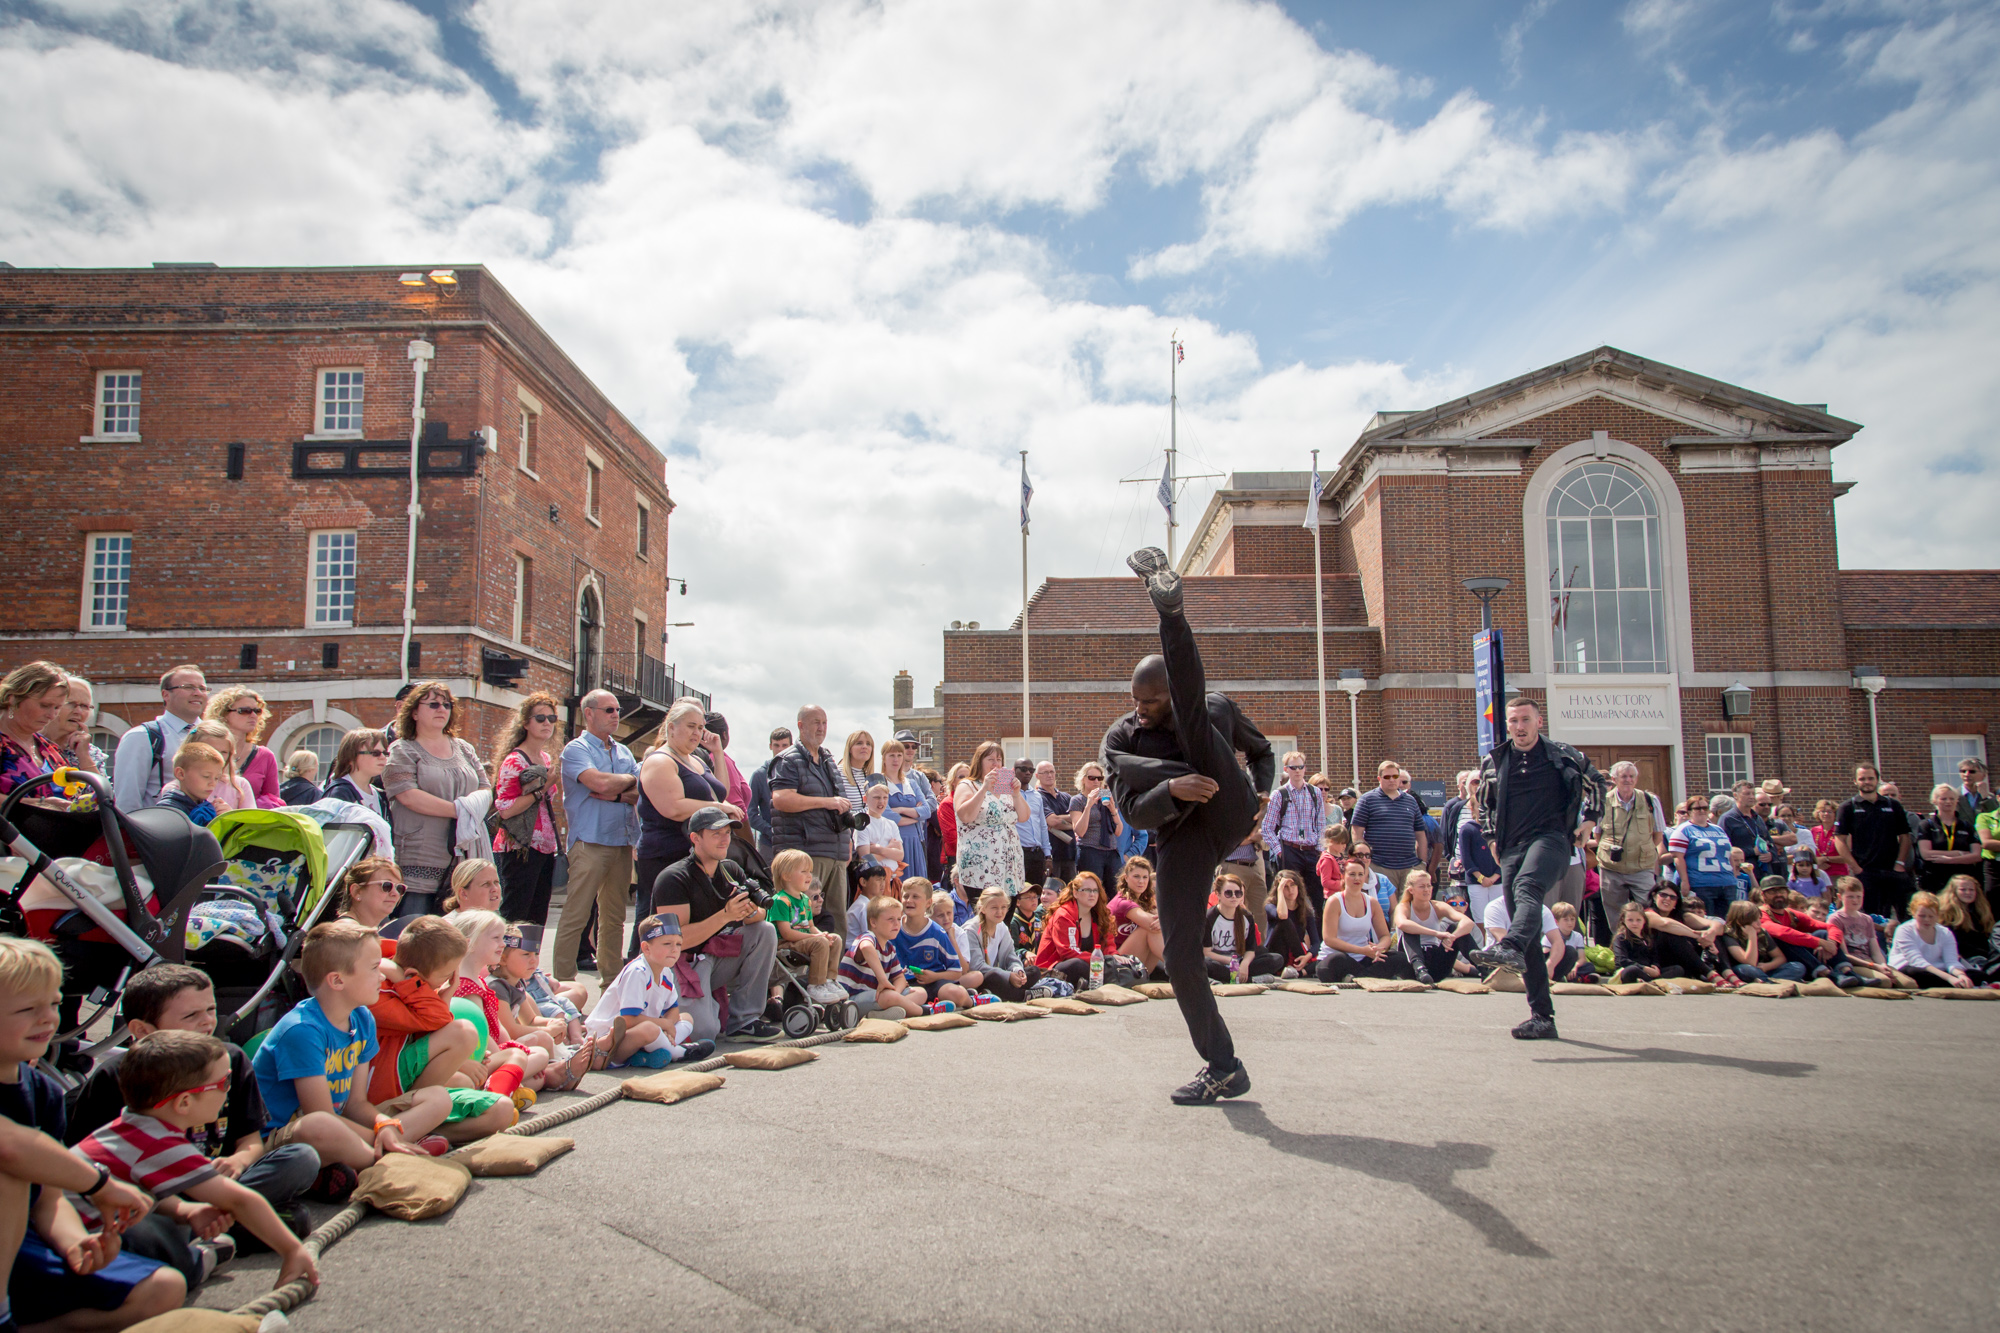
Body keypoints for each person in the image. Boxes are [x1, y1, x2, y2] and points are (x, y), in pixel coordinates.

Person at [1102, 548, 1275, 1104]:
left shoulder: (1207, 708)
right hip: (1183, 831)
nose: (1140, 709)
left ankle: (1170, 610)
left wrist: (1265, 792)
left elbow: (1262, 750)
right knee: (1178, 956)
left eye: (1150, 701)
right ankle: (1224, 1066)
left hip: (1227, 804)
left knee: (1202, 728)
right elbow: (1130, 810)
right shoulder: (1123, 736)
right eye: (1135, 700)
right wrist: (1170, 789)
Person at [0, 937, 182, 1332]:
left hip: (23, 1242)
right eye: (27, 1009)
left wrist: (72, 1243)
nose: (48, 1019)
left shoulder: (43, 1091)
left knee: (165, 1287)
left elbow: (48, 1200)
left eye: (53, 1003)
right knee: (8, 1178)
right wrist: (100, 1185)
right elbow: (12, 1148)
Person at [64, 966, 324, 1242]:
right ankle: (231, 1225)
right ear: (142, 1030)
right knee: (146, 1225)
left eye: (211, 1010)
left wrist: (238, 1160)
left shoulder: (230, 1060)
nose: (207, 1023)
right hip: (155, 1196)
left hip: (217, 1183)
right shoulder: (116, 1076)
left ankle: (218, 1226)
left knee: (301, 1158)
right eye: (191, 1016)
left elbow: (251, 1141)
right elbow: (89, 1167)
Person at [75, 1030, 319, 1292]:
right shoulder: (158, 1142)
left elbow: (140, 1191)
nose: (229, 1090)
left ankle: (198, 1246)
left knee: (164, 1228)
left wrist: (186, 1210)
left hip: (81, 1229)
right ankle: (199, 1260)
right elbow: (239, 1199)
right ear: (184, 1102)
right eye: (224, 1083)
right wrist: (292, 1250)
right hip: (83, 1241)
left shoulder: (130, 1124)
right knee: (168, 1261)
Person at [250, 921, 453, 1175]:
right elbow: (320, 1114)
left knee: (438, 1098)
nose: (382, 976)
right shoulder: (302, 1030)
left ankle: (370, 1156)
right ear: (337, 980)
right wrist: (380, 1132)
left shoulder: (362, 1017)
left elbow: (355, 1103)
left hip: (341, 1124)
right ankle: (389, 1159)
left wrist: (383, 1124)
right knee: (320, 1126)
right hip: (287, 1136)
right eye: (373, 968)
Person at [1468, 696, 1605, 1040]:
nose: (1519, 727)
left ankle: (1509, 946)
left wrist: (1589, 822)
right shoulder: (1495, 760)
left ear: (1539, 722)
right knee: (1524, 925)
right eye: (1513, 721)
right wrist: (1491, 839)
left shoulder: (1561, 754)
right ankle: (1542, 1016)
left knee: (1528, 889)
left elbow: (1597, 783)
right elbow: (1483, 805)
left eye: (1525, 720)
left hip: (1553, 840)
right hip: (1511, 845)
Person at [363, 918, 520, 1137]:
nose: (449, 982)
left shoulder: (415, 987)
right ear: (412, 976)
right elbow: (436, 1020)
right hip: (384, 1097)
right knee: (463, 1033)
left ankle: (420, 1130)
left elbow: (432, 1026)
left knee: (501, 1110)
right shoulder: (380, 992)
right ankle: (403, 1132)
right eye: (447, 976)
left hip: (411, 1090)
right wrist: (405, 981)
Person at [646, 806, 782, 1041]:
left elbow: (758, 916)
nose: (724, 839)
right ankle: (667, 1011)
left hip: (712, 959)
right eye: (715, 833)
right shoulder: (674, 877)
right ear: (695, 838)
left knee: (765, 931)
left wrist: (750, 911)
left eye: (727, 833)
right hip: (677, 966)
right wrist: (726, 916)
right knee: (703, 1032)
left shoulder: (730, 869)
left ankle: (745, 1020)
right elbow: (674, 942)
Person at [635, 700, 737, 958]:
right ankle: (641, 983)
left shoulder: (697, 760)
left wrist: (717, 753)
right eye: (691, 726)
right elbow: (673, 807)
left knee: (690, 931)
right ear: (671, 728)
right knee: (659, 930)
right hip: (665, 854)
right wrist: (720, 807)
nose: (697, 733)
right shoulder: (660, 761)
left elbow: (721, 792)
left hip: (694, 856)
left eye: (701, 727)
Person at [552, 690, 641, 982]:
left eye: (617, 710)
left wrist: (615, 792)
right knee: (577, 915)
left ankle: (611, 985)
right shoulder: (576, 749)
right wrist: (626, 782)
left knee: (614, 918)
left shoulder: (624, 751)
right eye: (608, 710)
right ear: (588, 713)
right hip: (589, 842)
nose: (616, 714)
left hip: (620, 842)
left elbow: (635, 792)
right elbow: (598, 782)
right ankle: (564, 986)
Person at [383, 682, 488, 917]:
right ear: (414, 712)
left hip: (463, 853)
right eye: (433, 704)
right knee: (414, 930)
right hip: (419, 854)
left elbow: (485, 787)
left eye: (446, 704)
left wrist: (467, 810)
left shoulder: (463, 748)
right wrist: (459, 810)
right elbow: (407, 795)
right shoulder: (402, 749)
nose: (441, 709)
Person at [769, 705, 858, 942]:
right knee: (802, 920)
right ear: (800, 725)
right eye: (816, 722)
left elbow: (840, 804)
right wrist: (827, 802)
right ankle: (805, 977)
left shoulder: (828, 759)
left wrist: (847, 841)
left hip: (835, 851)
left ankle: (832, 975)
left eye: (825, 722)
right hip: (805, 852)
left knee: (837, 918)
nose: (821, 728)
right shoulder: (787, 759)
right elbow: (781, 799)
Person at [584, 914, 716, 1067]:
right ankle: (680, 1052)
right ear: (646, 948)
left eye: (678, 944)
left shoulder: (665, 971)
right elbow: (628, 1020)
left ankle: (647, 1055)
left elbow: (673, 1010)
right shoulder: (638, 972)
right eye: (667, 944)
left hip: (643, 1033)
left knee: (686, 1017)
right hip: (610, 1040)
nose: (674, 950)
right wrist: (664, 1024)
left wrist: (667, 1024)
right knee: (650, 1030)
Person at [489, 692, 566, 930]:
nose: (547, 723)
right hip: (519, 846)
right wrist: (541, 789)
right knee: (516, 913)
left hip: (544, 846)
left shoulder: (544, 757)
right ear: (525, 723)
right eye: (540, 718)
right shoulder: (515, 761)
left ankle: (528, 965)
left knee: (537, 914)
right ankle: (506, 964)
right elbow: (505, 809)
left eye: (551, 718)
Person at [111, 664, 209, 812]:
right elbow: (127, 802)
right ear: (165, 694)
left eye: (202, 688)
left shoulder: (216, 735)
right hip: (160, 830)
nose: (197, 693)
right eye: (188, 687)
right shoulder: (142, 737)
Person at [953, 742, 1031, 902]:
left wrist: (1016, 794)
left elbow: (1023, 817)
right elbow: (965, 816)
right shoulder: (968, 785)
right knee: (984, 917)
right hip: (981, 866)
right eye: (991, 759)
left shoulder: (1004, 786)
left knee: (1005, 916)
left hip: (1009, 866)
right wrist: (984, 789)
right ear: (979, 761)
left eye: (999, 759)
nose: (996, 764)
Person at [767, 849, 848, 1003]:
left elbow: (810, 926)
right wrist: (815, 937)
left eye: (810, 871)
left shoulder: (804, 899)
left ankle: (830, 980)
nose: (809, 876)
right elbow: (786, 933)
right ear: (786, 876)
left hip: (803, 941)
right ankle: (816, 984)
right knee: (820, 942)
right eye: (804, 871)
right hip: (785, 944)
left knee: (835, 938)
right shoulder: (780, 900)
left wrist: (822, 934)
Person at [1836, 763, 1914, 919]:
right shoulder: (1847, 807)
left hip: (1893, 870)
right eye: (1862, 779)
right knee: (1872, 918)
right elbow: (1839, 839)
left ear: (1877, 780)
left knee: (1905, 915)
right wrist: (1855, 867)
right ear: (1855, 781)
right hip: (1866, 872)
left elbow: (1905, 837)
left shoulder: (1893, 805)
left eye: (1870, 778)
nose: (1867, 782)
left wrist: (1900, 863)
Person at [1594, 761, 1667, 927]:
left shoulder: (1650, 800)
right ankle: (1621, 947)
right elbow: (1598, 835)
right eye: (1624, 776)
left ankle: (1647, 946)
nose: (1628, 780)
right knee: (1614, 913)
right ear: (1614, 779)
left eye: (1632, 776)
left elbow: (1657, 835)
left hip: (1641, 868)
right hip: (1611, 868)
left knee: (1649, 910)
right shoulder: (1603, 801)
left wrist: (1641, 849)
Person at [838, 897, 931, 1018]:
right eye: (890, 919)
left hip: (879, 997)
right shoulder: (867, 937)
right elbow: (866, 948)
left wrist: (895, 994)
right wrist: (883, 980)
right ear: (873, 922)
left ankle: (880, 1014)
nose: (896, 923)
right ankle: (925, 1012)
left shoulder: (890, 948)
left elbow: (899, 978)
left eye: (898, 919)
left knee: (921, 992)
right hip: (853, 999)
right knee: (889, 996)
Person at [890, 878, 976, 1008]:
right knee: (911, 996)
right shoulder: (893, 929)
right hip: (906, 985)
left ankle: (973, 1000)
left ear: (928, 903)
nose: (909, 900)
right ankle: (927, 1009)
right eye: (906, 896)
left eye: (915, 896)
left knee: (955, 993)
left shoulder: (937, 932)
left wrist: (934, 976)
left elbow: (956, 972)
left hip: (935, 982)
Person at [1262, 750, 1329, 917]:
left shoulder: (1315, 793)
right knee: (1289, 896)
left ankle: (1316, 938)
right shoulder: (1279, 794)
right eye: (1293, 767)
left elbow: (1321, 824)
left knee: (1316, 897)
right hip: (1289, 849)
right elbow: (1267, 827)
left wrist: (1321, 849)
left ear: (1305, 769)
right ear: (1286, 769)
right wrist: (1279, 851)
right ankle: (1292, 936)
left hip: (1312, 849)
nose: (1297, 771)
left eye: (1300, 767)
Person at [1348, 759, 1428, 897]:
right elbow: (1357, 831)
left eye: (1395, 776)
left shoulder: (1410, 800)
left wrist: (1423, 863)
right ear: (1379, 778)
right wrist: (1362, 860)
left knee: (1409, 908)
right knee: (1384, 909)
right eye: (1387, 777)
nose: (1392, 780)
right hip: (1379, 866)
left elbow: (1420, 833)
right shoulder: (1367, 799)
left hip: (1409, 866)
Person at [1315, 859, 1403, 982]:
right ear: (1343, 876)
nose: (1357, 878)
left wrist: (1379, 948)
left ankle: (1356, 977)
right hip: (1339, 957)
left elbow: (1385, 936)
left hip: (1364, 958)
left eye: (1360, 874)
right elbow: (1329, 939)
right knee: (1331, 964)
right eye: (1352, 874)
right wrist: (1362, 950)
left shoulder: (1372, 902)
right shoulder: (1334, 901)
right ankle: (1366, 977)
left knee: (1400, 958)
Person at [1032, 874, 1122, 988]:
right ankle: (1110, 980)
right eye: (1087, 890)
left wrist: (1114, 957)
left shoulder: (1100, 914)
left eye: (1095, 890)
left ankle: (1106, 980)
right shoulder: (1064, 915)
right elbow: (1068, 952)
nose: (1092, 894)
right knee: (1078, 965)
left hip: (1089, 963)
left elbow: (1108, 943)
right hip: (1051, 968)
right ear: (1075, 893)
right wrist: (1099, 961)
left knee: (1120, 962)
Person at [0, 661, 70, 803]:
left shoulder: (50, 748)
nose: (51, 715)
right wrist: (38, 805)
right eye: (44, 705)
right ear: (12, 699)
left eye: (57, 708)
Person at [203, 687, 283, 809]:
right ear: (223, 714)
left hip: (249, 823)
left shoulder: (264, 755)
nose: (253, 715)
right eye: (244, 711)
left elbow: (274, 802)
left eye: (257, 711)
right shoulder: (206, 748)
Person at [1393, 869, 1476, 985]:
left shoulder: (1438, 906)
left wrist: (1452, 937)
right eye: (1422, 886)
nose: (1427, 890)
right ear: (1411, 890)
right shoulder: (1403, 907)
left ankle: (1484, 968)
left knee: (1455, 927)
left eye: (1429, 885)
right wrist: (1437, 934)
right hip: (1410, 965)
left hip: (1435, 963)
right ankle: (1420, 969)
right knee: (1410, 928)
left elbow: (1468, 922)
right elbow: (1402, 924)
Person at [1666, 795, 1739, 920]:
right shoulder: (1683, 830)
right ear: (1689, 811)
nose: (1702, 811)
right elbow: (1678, 858)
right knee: (1707, 920)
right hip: (1701, 883)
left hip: (1726, 883)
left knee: (1729, 923)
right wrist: (1684, 881)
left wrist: (1734, 873)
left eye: (1705, 808)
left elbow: (1728, 852)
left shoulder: (1718, 829)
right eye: (1697, 808)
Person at [960, 887, 1039, 1002]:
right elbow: (976, 966)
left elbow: (1010, 956)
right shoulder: (971, 930)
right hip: (983, 978)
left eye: (1003, 907)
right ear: (983, 908)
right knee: (994, 977)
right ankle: (1023, 995)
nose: (1000, 912)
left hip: (1002, 974)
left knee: (1034, 971)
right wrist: (1007, 976)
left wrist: (1017, 971)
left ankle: (1013, 992)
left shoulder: (1002, 927)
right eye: (994, 908)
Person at [1204, 873, 1283, 983]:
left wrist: (1244, 964)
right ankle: (1249, 979)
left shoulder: (1246, 916)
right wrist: (1231, 962)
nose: (1234, 897)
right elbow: (1206, 952)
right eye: (1228, 893)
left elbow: (1250, 949)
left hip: (1239, 961)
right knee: (1204, 963)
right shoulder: (1209, 917)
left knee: (1276, 959)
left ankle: (1234, 978)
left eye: (1238, 893)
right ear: (1218, 894)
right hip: (1219, 962)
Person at [1640, 885, 1727, 984]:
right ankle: (1710, 974)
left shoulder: (1682, 915)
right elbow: (1666, 924)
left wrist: (1711, 933)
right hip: (1655, 960)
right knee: (1673, 934)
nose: (1668, 899)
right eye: (1663, 895)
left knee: (1710, 932)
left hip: (1679, 959)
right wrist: (1698, 936)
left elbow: (1718, 926)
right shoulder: (1647, 913)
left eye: (1672, 897)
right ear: (1654, 896)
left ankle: (1728, 973)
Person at [1889, 891, 1974, 988]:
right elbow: (1917, 961)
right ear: (1913, 913)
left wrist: (1961, 975)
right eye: (1922, 916)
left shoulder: (1945, 932)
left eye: (1931, 916)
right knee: (1914, 973)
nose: (1927, 920)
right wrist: (1949, 978)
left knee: (1976, 975)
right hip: (1911, 968)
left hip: (1938, 969)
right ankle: (1950, 984)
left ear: (1937, 915)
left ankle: (1957, 983)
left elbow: (1951, 961)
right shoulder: (1904, 930)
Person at [881, 740, 935, 881]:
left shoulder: (911, 783)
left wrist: (900, 809)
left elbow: (926, 810)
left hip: (915, 841)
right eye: (891, 755)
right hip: (892, 843)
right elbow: (887, 815)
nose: (896, 759)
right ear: (884, 758)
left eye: (899, 755)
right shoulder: (880, 782)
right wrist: (915, 815)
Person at [1916, 785, 1980, 897]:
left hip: (1962, 879)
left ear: (1957, 801)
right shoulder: (1926, 825)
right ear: (1934, 801)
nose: (1948, 802)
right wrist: (1959, 853)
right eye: (1943, 799)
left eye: (1952, 799)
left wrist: (1950, 859)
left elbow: (1977, 855)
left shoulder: (1966, 826)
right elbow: (1926, 854)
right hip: (1936, 878)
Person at [1718, 900, 1802, 984]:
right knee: (1745, 969)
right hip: (1747, 970)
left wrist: (1767, 966)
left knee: (1798, 966)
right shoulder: (1729, 935)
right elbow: (1750, 962)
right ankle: (1773, 983)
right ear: (1740, 921)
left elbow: (1780, 958)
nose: (1759, 923)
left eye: (1759, 919)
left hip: (1764, 971)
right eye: (1754, 920)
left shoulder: (1762, 932)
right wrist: (1752, 935)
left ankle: (1770, 983)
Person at [1070, 761, 1124, 889]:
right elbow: (1080, 831)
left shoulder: (1105, 796)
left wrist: (1112, 810)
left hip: (1111, 851)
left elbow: (1118, 831)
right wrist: (1088, 806)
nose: (1096, 781)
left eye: (1099, 778)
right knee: (1093, 889)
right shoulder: (1078, 800)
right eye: (1091, 778)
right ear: (1083, 779)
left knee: (1114, 891)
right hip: (1090, 850)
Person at [1107, 858, 1164, 976]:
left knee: (1157, 927)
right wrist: (1164, 920)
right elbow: (1152, 923)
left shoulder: (1144, 902)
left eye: (1145, 877)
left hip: (1136, 965)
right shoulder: (1123, 902)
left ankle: (1182, 967)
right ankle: (1183, 968)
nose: (1141, 881)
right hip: (1115, 962)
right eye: (1136, 876)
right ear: (1126, 878)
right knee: (1150, 929)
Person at [321, 727, 391, 821]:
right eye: (375, 753)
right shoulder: (340, 793)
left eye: (385, 753)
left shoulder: (381, 796)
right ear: (351, 757)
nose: (383, 757)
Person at [1936, 874, 1996, 985]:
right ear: (1953, 891)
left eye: (1971, 890)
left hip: (1982, 955)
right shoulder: (1946, 914)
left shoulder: (1981, 912)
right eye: (1963, 889)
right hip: (1960, 957)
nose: (1968, 893)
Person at [48, 674, 109, 778]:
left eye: (84, 706)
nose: (78, 712)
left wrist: (84, 756)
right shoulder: (31, 744)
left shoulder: (91, 752)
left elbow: (100, 792)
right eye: (71, 703)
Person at [154, 741, 227, 826]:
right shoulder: (168, 811)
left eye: (216, 778)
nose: (213, 783)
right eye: (206, 776)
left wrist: (228, 818)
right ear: (180, 774)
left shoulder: (208, 807)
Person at [1264, 869, 1319, 977]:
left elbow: (1316, 942)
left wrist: (1306, 957)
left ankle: (1300, 972)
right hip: (1277, 952)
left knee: (1325, 960)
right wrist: (1280, 889)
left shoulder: (1305, 910)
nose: (1290, 890)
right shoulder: (1270, 906)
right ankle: (1301, 968)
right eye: (1285, 887)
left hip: (1296, 954)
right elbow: (1283, 915)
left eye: (1293, 885)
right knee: (1285, 922)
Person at [746, 726, 792, 856]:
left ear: (791, 746)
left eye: (784, 745)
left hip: (796, 843)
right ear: (770, 746)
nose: (780, 750)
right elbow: (750, 813)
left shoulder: (799, 774)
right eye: (776, 745)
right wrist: (770, 831)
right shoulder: (759, 775)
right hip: (769, 844)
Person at [1718, 781, 1775, 884]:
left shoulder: (1758, 818)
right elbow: (1724, 849)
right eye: (1747, 793)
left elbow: (1770, 842)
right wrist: (1752, 851)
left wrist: (1770, 854)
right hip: (1742, 874)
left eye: (1753, 793)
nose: (1752, 797)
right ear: (1735, 795)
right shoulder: (1727, 819)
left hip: (1763, 872)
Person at [1032, 760, 1077, 887]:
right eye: (1045, 772)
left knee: (1070, 893)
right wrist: (1072, 820)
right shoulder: (1038, 797)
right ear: (1037, 776)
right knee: (1052, 892)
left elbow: (1076, 819)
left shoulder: (1066, 797)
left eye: (1051, 772)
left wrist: (1067, 822)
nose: (1049, 775)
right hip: (1052, 856)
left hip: (1070, 854)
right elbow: (1053, 821)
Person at [1012, 758, 1054, 890]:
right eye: (1023, 769)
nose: (1028, 773)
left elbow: (1042, 826)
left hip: (1037, 853)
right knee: (1018, 893)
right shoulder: (1007, 794)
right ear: (1014, 771)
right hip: (1018, 852)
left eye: (1031, 770)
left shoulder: (1037, 796)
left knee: (1036, 893)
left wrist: (1047, 855)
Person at [854, 782, 905, 878]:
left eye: (885, 798)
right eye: (877, 797)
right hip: (872, 879)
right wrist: (890, 848)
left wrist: (879, 849)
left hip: (892, 878)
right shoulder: (863, 824)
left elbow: (900, 855)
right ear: (865, 799)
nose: (881, 801)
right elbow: (866, 859)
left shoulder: (892, 824)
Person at [835, 730, 878, 811]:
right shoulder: (837, 774)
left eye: (868, 744)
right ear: (850, 749)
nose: (864, 746)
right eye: (859, 743)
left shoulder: (871, 778)